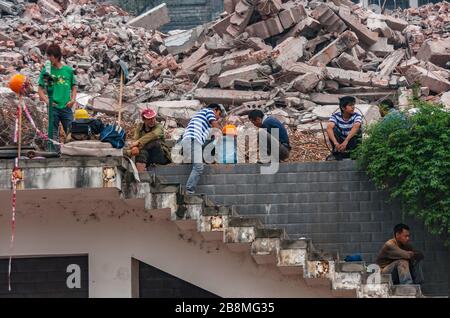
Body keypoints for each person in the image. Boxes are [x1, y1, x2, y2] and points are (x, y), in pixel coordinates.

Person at [181, 103, 226, 194]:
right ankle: (189, 191)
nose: (218, 118)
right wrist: (224, 133)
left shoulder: (202, 120)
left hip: (190, 141)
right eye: (218, 114)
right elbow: (215, 125)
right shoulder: (208, 111)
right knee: (198, 167)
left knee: (198, 165)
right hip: (193, 140)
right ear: (215, 110)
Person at [37, 43, 77, 142]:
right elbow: (41, 89)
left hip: (66, 106)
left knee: (72, 131)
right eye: (48, 56)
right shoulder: (47, 71)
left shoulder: (68, 70)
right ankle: (54, 152)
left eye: (51, 56)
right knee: (53, 132)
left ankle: (70, 152)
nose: (49, 58)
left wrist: (73, 100)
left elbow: (74, 86)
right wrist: (47, 101)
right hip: (53, 107)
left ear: (57, 56)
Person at [326, 96, 362, 160]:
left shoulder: (356, 115)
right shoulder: (336, 116)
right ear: (343, 108)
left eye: (353, 105)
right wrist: (335, 143)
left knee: (358, 130)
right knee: (333, 129)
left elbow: (356, 125)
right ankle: (337, 153)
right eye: (350, 105)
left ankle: (356, 153)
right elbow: (329, 127)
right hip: (340, 143)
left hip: (351, 142)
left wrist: (346, 141)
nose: (353, 107)